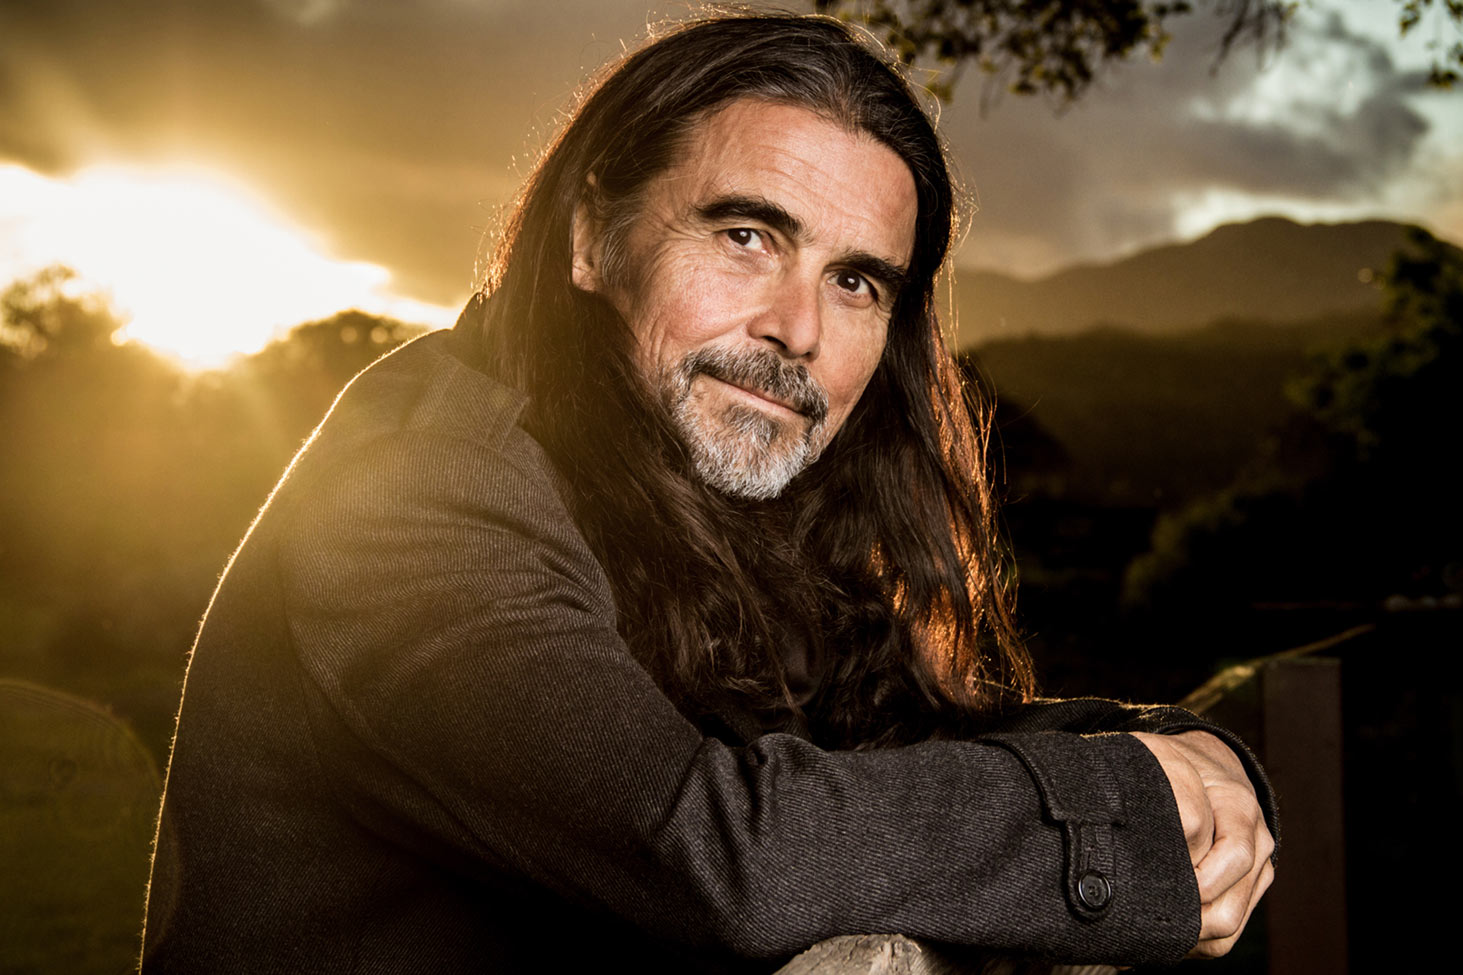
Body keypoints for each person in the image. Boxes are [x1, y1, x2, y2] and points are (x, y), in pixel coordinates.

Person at [141, 13, 1276, 974]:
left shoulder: (686, 477)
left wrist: (1180, 755)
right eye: (745, 235)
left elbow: (883, 759)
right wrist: (1116, 810)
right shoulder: (414, 493)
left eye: (855, 281)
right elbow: (713, 848)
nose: (798, 329)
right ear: (592, 236)